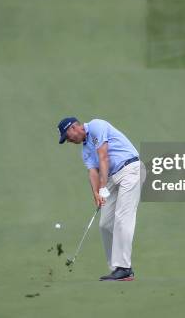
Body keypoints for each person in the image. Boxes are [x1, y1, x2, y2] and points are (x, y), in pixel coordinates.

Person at [58, 117, 145, 281]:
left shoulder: (97, 126)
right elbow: (93, 172)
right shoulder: (85, 151)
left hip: (131, 169)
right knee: (105, 224)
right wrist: (96, 194)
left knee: (122, 218)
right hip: (112, 178)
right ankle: (117, 269)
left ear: (73, 128)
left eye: (67, 137)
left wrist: (103, 186)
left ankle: (124, 268)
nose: (69, 141)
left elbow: (103, 156)